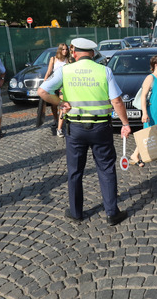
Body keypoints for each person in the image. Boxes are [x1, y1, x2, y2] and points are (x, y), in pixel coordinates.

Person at [38, 38, 130, 226]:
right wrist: (125, 123)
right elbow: (117, 101)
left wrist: (60, 103)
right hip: (101, 128)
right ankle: (112, 213)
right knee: (106, 169)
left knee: (75, 171)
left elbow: (42, 91)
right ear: (92, 52)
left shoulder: (65, 70)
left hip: (75, 129)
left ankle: (76, 212)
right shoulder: (104, 71)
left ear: (74, 51)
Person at [44, 43, 71, 138]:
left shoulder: (68, 60)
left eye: (66, 49)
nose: (65, 51)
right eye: (63, 49)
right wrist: (45, 82)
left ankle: (59, 128)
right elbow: (49, 71)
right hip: (55, 84)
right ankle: (56, 120)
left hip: (64, 85)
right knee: (54, 105)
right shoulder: (53, 59)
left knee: (62, 105)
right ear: (59, 50)